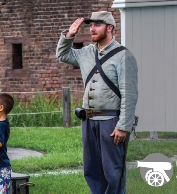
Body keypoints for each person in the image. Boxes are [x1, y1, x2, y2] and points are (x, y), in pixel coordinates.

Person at [56, 11, 138, 194]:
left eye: (97, 25)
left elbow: (130, 94)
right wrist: (70, 35)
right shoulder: (86, 53)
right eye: (90, 25)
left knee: (113, 171)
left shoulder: (124, 56)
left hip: (111, 122)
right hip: (88, 121)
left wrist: (123, 125)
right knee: (92, 169)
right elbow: (62, 55)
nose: (92, 29)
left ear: (109, 28)